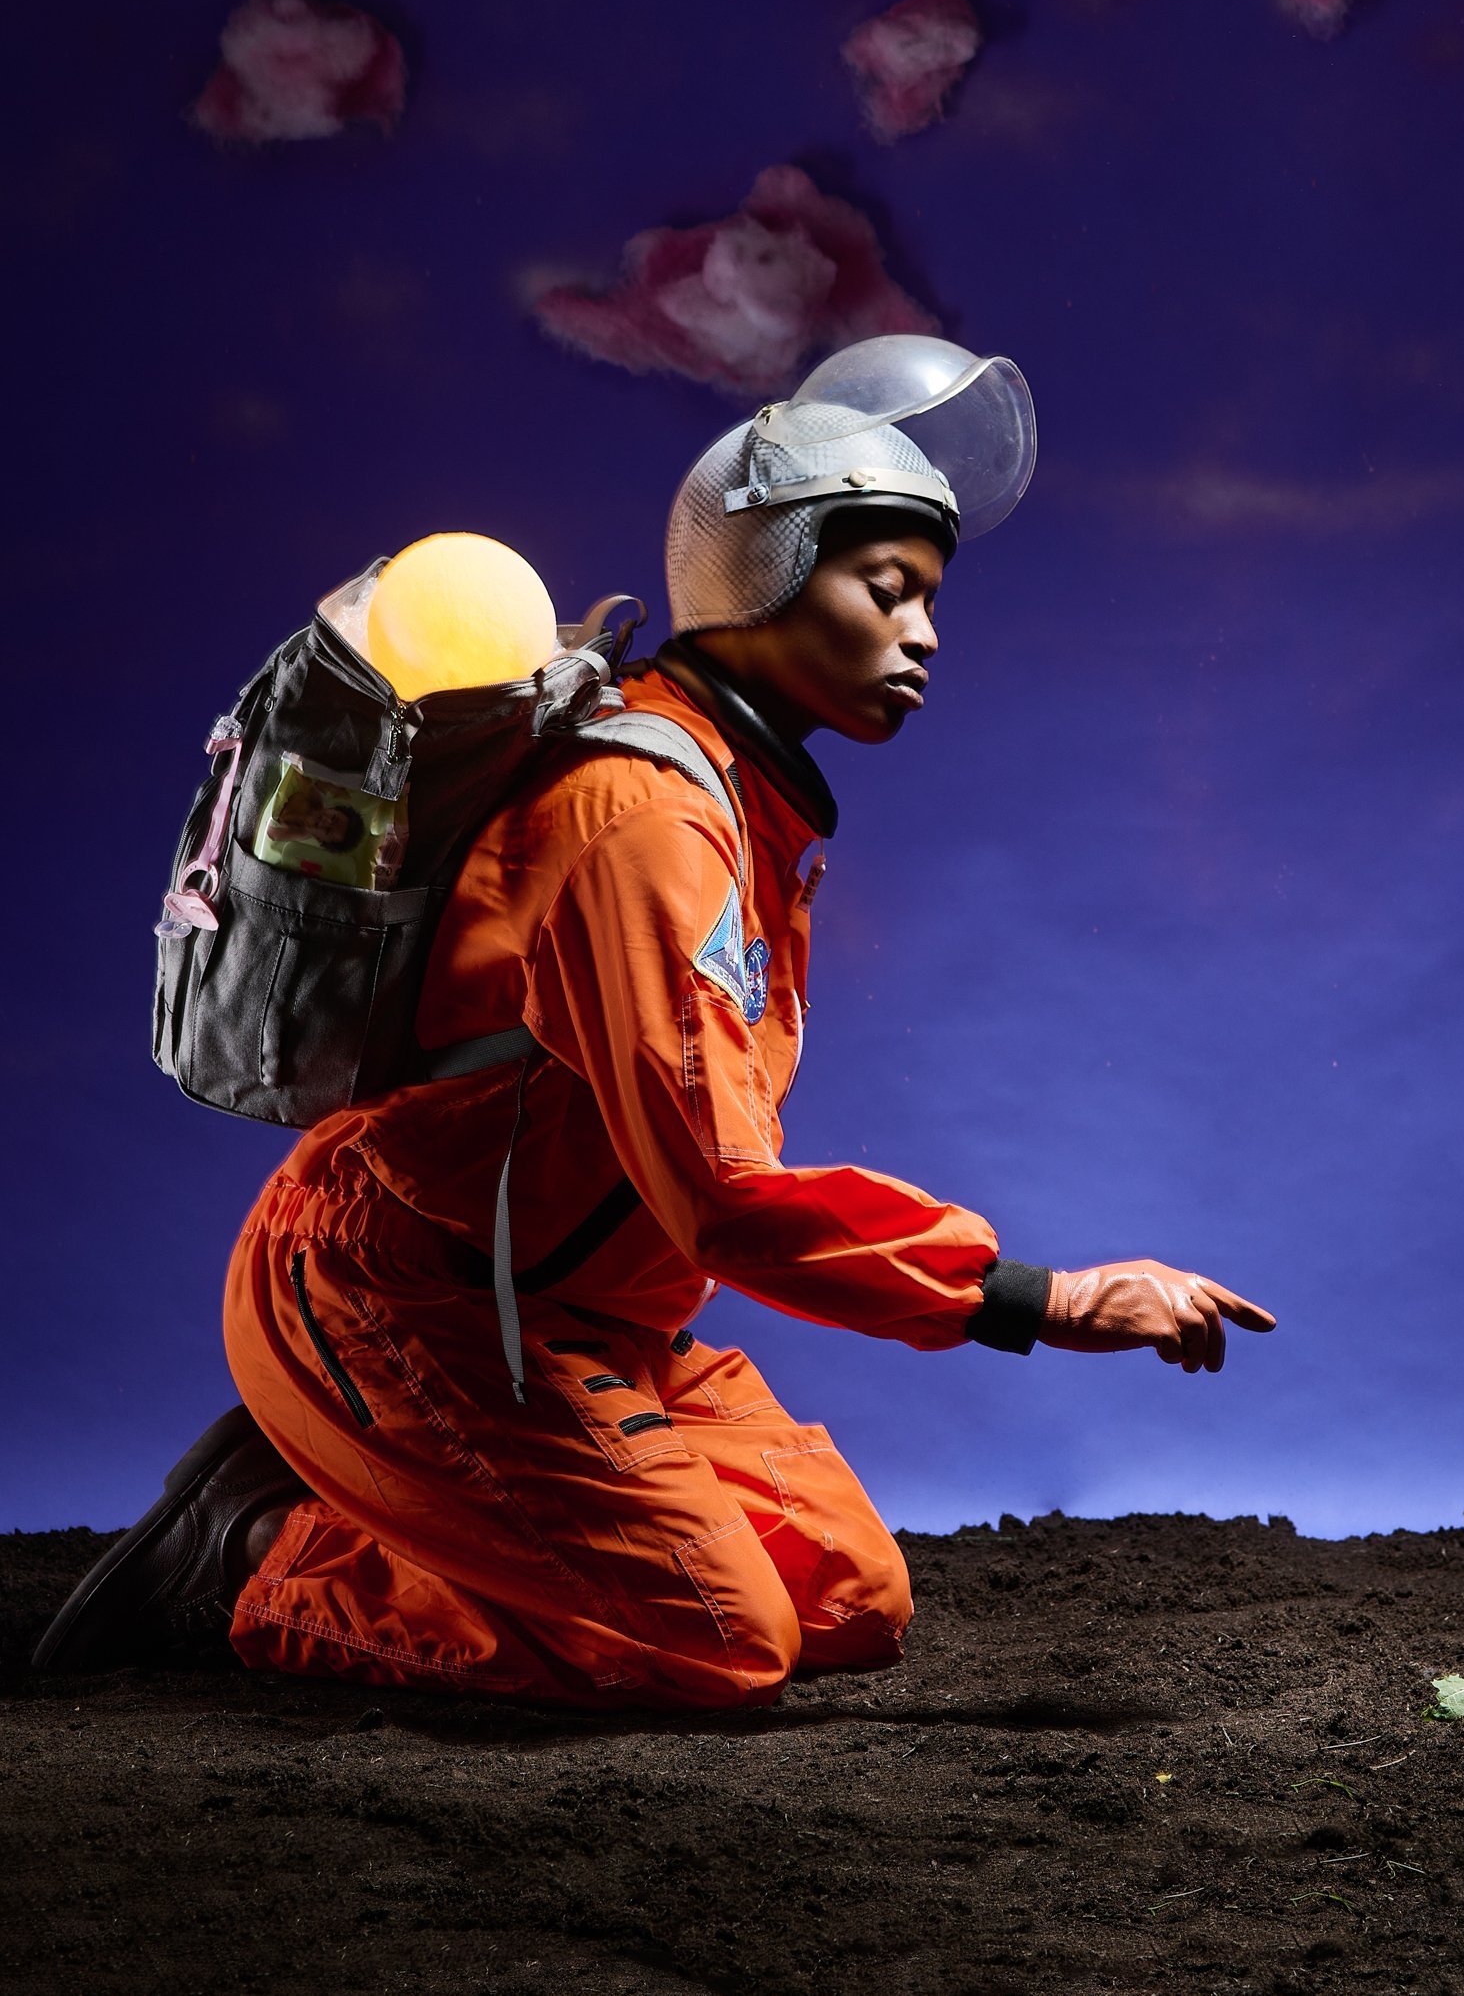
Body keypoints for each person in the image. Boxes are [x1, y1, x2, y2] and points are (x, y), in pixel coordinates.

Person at [36, 337, 1275, 1708]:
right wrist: (1044, 1299)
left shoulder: (736, 794)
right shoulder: (650, 820)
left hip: (583, 1319)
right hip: (406, 1295)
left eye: (929, 598)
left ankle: (415, 1493)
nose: (926, 634)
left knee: (846, 1598)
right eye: (888, 590)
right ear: (768, 576)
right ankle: (254, 1554)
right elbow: (726, 1202)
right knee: (714, 1640)